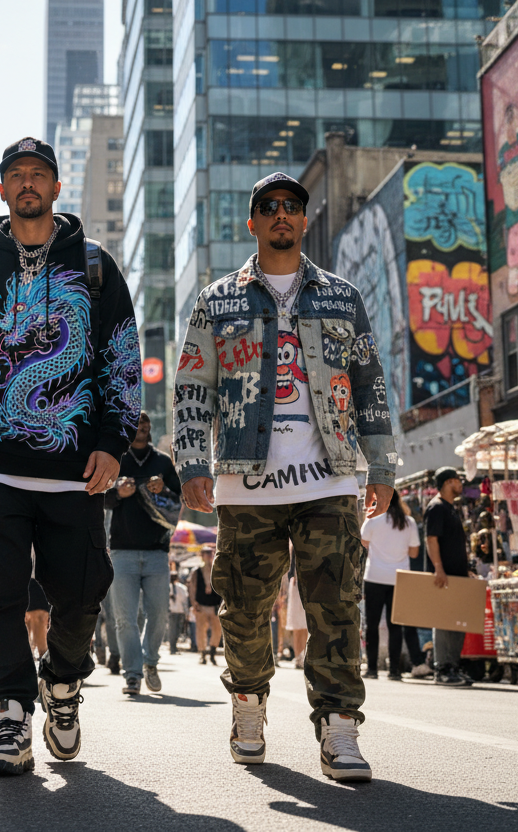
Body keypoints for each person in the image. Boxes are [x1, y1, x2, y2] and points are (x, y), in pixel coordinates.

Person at [0, 136, 140, 776]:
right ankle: (11, 711)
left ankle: (64, 683)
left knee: (81, 594)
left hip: (76, 468)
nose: (27, 183)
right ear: (1, 189)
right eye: (16, 174)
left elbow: (122, 357)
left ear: (54, 187)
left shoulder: (95, 266)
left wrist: (113, 444)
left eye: (38, 174)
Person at [173, 172, 396, 782]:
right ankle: (249, 705)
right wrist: (191, 464)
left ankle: (339, 727)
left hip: (330, 479)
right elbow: (193, 386)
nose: (281, 214)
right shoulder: (217, 300)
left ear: (302, 219)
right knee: (245, 611)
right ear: (252, 222)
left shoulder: (342, 297)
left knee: (336, 609)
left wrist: (380, 465)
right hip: (246, 483)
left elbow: (370, 383)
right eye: (268, 206)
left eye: (291, 206)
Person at [104, 411, 182, 695]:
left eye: (145, 424)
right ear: (129, 428)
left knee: (159, 614)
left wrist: (163, 489)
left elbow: (179, 497)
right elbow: (101, 498)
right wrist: (117, 492)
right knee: (124, 618)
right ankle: (132, 675)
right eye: (137, 424)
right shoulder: (117, 459)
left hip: (157, 551)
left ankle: (150, 662)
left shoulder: (162, 461)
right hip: (122, 551)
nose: (142, 427)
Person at [360, 490, 426, 680]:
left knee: (371, 625)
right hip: (399, 578)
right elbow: (414, 553)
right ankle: (394, 671)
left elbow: (363, 543)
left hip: (374, 576)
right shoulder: (409, 522)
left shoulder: (372, 520)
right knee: (395, 626)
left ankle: (372, 669)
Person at [424, 467, 474, 687]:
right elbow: (431, 539)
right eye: (456, 480)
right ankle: (442, 668)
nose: (460, 484)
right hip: (444, 576)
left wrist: (466, 569)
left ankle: (453, 666)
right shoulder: (436, 507)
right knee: (444, 621)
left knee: (457, 620)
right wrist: (438, 568)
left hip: (457, 575)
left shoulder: (451, 508)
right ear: (447, 483)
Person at [188, 546, 222, 665]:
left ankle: (212, 652)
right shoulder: (196, 571)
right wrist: (193, 602)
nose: (209, 555)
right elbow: (192, 588)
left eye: (210, 553)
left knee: (217, 630)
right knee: (201, 631)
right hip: (201, 605)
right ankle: (202, 653)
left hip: (215, 605)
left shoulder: (217, 570)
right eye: (206, 553)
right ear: (202, 556)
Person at [167, 571, 189, 656]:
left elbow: (185, 601)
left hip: (180, 612)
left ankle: (175, 646)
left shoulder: (182, 588)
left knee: (178, 630)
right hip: (171, 612)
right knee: (172, 630)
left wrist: (186, 613)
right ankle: (172, 647)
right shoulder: (166, 588)